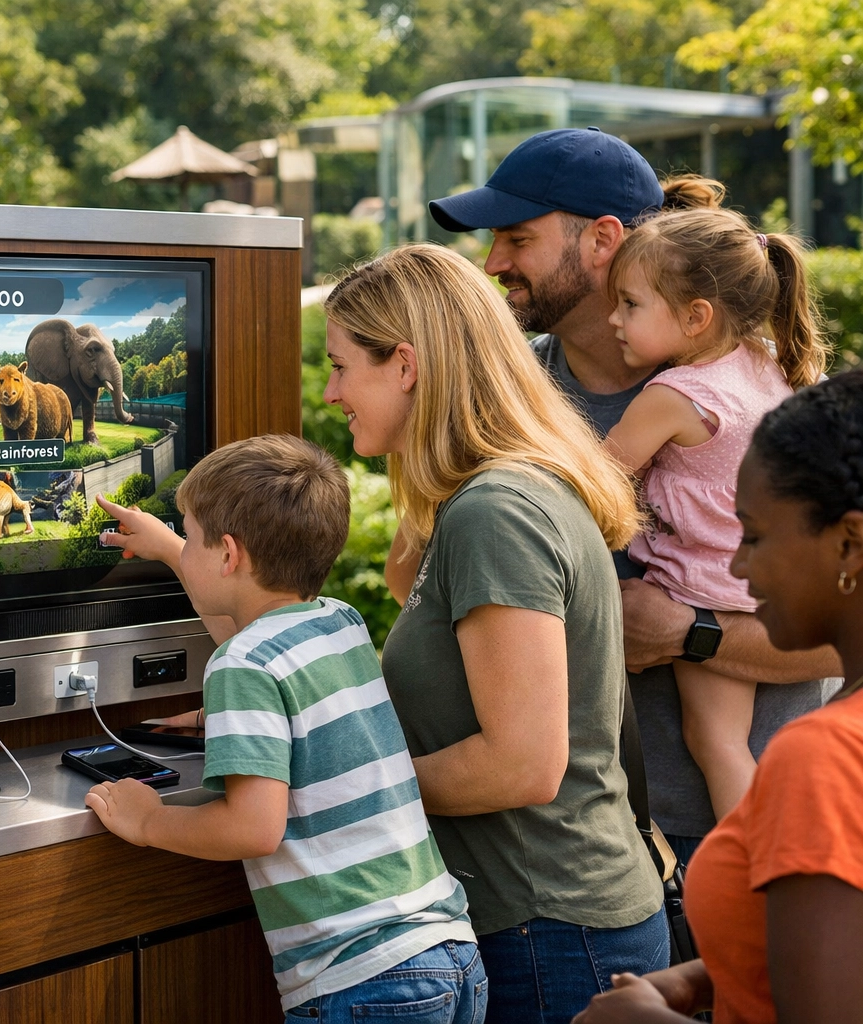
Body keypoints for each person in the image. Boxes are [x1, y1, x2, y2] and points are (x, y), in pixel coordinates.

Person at [426, 127, 842, 864]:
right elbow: (432, 591)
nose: (492, 264)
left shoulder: (773, 393)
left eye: (516, 239)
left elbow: (850, 626)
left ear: (603, 239)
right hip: (578, 849)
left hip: (762, 832)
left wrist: (692, 633)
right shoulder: (500, 399)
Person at [322, 243, 665, 1023]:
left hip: (548, 934)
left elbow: (520, 766)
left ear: (405, 364)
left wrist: (331, 785)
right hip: (558, 923)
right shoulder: (492, 493)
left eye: (343, 367)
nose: (335, 391)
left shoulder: (495, 510)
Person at [87, 434, 486, 1023]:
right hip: (446, 947)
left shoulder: (241, 665)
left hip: (359, 977)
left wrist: (148, 821)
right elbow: (263, 653)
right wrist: (175, 551)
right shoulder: (337, 622)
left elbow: (252, 828)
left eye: (190, 536)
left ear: (228, 554)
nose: (184, 548)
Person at [574, 370, 863, 1024]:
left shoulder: (822, 755)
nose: (735, 568)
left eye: (753, 536)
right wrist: (717, 975)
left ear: (848, 542)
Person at [602, 208, 828, 819]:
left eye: (630, 304)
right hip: (763, 578)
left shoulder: (674, 397)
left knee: (717, 740)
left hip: (704, 587)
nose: (614, 319)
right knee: (730, 741)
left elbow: (598, 478)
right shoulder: (766, 360)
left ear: (696, 316)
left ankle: (749, 871)